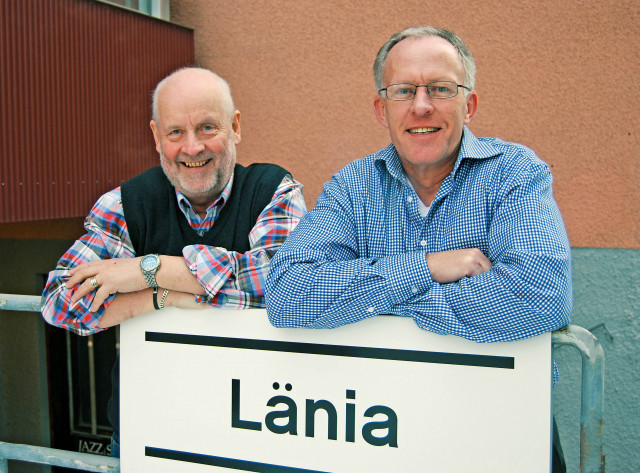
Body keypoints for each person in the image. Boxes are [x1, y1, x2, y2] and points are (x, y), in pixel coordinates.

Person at [265, 26, 570, 471]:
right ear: (380, 108)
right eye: (404, 90)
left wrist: (375, 305)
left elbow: (541, 295)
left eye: (441, 89)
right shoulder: (353, 187)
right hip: (382, 430)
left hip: (505, 426)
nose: (421, 105)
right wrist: (429, 268)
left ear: (471, 104)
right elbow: (288, 294)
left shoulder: (515, 175)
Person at [41, 67, 306, 457]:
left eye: (207, 128)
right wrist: (162, 297)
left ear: (235, 127)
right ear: (156, 137)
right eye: (175, 132)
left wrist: (148, 270)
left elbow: (289, 287)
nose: (192, 147)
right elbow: (61, 302)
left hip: (255, 437)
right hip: (147, 438)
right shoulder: (126, 204)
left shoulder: (273, 191)